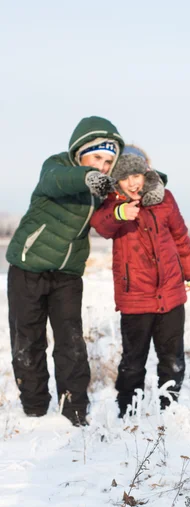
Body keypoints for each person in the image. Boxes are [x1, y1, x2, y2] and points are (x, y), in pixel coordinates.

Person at [7, 116, 124, 425]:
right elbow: (56, 180)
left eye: (109, 160)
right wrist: (86, 177)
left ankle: (74, 410)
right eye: (97, 157)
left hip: (68, 274)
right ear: (79, 152)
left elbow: (120, 201)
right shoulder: (55, 166)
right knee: (28, 340)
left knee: (71, 342)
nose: (103, 165)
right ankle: (34, 409)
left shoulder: (103, 188)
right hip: (28, 267)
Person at [91, 147, 190, 416]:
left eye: (136, 174)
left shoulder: (165, 198)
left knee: (172, 359)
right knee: (133, 361)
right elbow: (101, 226)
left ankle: (169, 409)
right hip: (135, 298)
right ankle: (127, 411)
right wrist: (119, 213)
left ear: (146, 173)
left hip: (171, 294)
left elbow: (180, 237)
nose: (132, 182)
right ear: (117, 179)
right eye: (125, 177)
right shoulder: (112, 203)